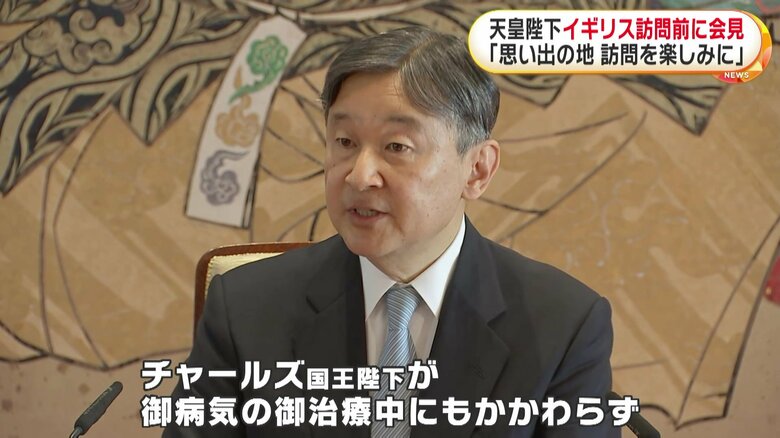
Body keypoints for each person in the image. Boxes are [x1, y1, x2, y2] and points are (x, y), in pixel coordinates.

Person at [164, 26, 618, 438]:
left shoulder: (562, 325)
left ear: (477, 169)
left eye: (396, 147)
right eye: (345, 142)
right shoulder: (246, 308)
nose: (360, 176)